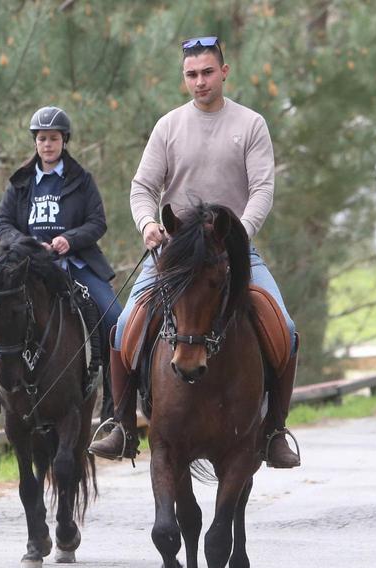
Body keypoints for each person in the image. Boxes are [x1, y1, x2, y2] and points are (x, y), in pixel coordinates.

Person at [87, 36, 301, 469]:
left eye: (207, 72)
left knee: (287, 329)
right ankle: (122, 424)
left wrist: (237, 234)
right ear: (183, 78)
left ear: (224, 72)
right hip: (177, 253)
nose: (199, 82)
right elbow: (143, 187)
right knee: (124, 325)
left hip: (233, 252)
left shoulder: (251, 124)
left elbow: (262, 188)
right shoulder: (168, 126)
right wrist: (149, 224)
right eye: (191, 75)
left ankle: (275, 430)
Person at [0, 106, 122, 425]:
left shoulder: (82, 180)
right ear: (34, 142)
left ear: (64, 140)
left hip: (73, 262)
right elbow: (1, 223)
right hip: (26, 266)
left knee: (115, 318)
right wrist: (25, 243)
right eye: (41, 139)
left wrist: (71, 239)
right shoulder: (21, 181)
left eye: (53, 138)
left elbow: (97, 222)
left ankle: (113, 401)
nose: (47, 145)